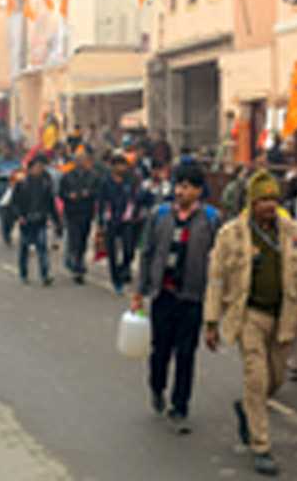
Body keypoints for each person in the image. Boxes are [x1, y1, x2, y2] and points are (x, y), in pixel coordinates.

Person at [203, 170, 297, 477]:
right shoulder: (231, 234)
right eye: (263, 199)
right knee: (256, 376)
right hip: (249, 316)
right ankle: (261, 445)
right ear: (252, 203)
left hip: (284, 316)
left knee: (274, 380)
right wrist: (211, 321)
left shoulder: (292, 232)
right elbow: (216, 279)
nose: (269, 205)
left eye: (273, 199)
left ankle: (247, 408)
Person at [131, 162, 221, 435]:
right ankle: (157, 387)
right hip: (164, 294)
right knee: (160, 350)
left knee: (186, 354)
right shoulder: (160, 216)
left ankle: (181, 404)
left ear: (198, 190)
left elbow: (219, 259)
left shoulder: (211, 219)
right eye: (178, 185)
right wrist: (139, 291)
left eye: (186, 186)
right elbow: (147, 253)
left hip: (192, 297)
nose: (180, 191)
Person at [9, 154, 57, 285]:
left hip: (40, 220)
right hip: (26, 220)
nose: (40, 169)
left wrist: (56, 220)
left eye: (41, 167)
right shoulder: (21, 184)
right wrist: (19, 216)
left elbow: (50, 203)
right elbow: (14, 203)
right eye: (37, 167)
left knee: (42, 247)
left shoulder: (45, 184)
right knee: (24, 248)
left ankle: (45, 274)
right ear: (30, 169)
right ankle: (23, 273)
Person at [60, 146, 103, 284]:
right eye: (78, 159)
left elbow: (98, 192)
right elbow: (61, 193)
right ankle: (77, 266)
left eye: (83, 159)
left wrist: (89, 193)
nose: (80, 162)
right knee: (75, 239)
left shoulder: (93, 175)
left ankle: (78, 260)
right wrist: (68, 195)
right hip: (72, 212)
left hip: (86, 211)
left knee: (83, 239)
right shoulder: (67, 176)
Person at [100, 152, 140, 294]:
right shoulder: (105, 182)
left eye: (123, 165)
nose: (122, 168)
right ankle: (116, 280)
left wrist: (133, 213)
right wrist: (101, 221)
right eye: (119, 165)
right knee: (112, 252)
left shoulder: (130, 181)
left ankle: (123, 269)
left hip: (127, 220)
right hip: (111, 220)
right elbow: (102, 202)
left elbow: (135, 199)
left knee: (129, 250)